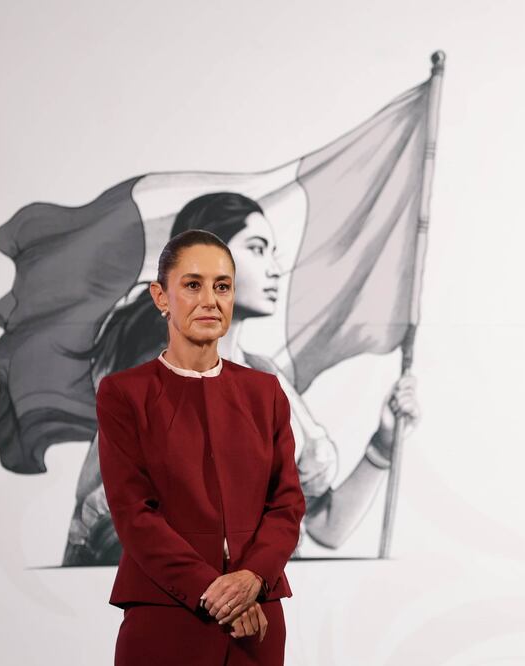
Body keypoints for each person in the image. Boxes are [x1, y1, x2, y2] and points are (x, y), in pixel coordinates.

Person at [64, 192, 419, 565]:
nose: (274, 268)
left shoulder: (269, 379)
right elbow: (101, 540)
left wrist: (384, 443)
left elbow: (326, 527)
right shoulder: (146, 392)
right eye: (257, 248)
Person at [98, 228, 304, 664]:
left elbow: (286, 504)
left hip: (257, 623)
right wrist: (219, 594)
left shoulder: (265, 391)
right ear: (161, 297)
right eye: (193, 285)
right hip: (166, 618)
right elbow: (133, 513)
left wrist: (252, 579)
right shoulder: (123, 394)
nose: (210, 299)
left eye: (222, 286)